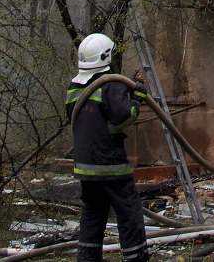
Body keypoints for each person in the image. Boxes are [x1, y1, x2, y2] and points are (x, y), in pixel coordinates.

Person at [66, 33, 149, 262]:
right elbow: (124, 117)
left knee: (93, 214)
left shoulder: (74, 87)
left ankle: (87, 258)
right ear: (106, 57)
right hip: (110, 165)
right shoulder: (111, 84)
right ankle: (136, 258)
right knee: (129, 214)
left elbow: (74, 119)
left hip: (85, 166)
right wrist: (136, 100)